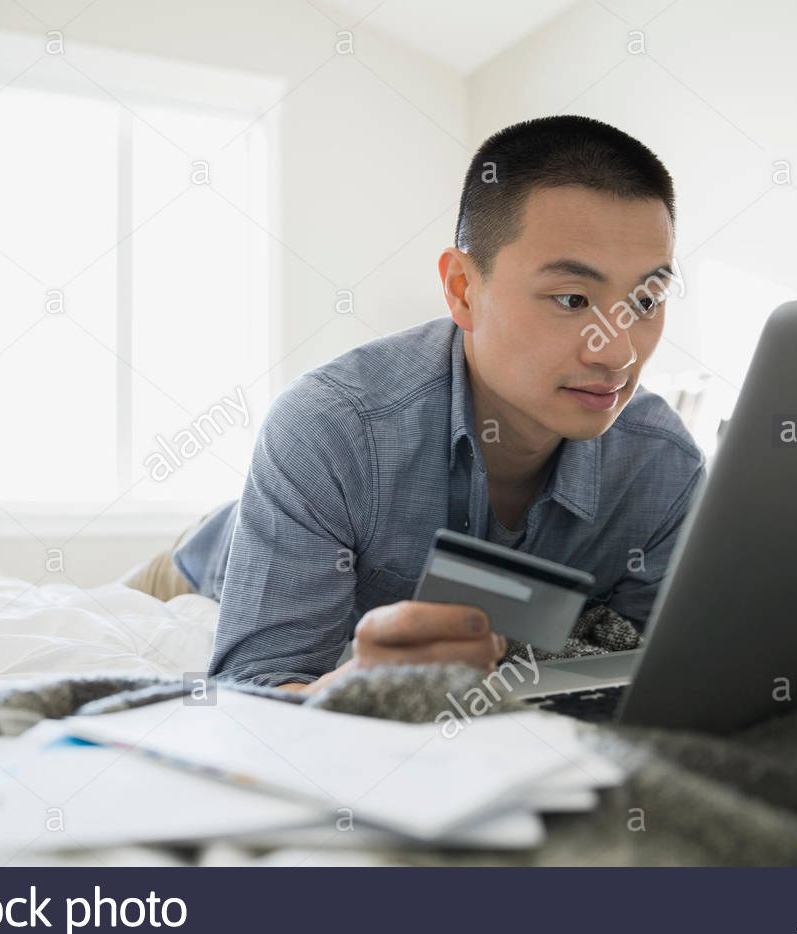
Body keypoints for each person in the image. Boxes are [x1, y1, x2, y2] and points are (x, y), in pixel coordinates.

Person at [126, 115, 705, 695]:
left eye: (645, 300)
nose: (619, 352)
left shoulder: (664, 467)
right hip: (201, 568)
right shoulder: (330, 425)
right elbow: (253, 693)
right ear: (462, 290)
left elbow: (646, 675)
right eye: (573, 298)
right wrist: (361, 690)